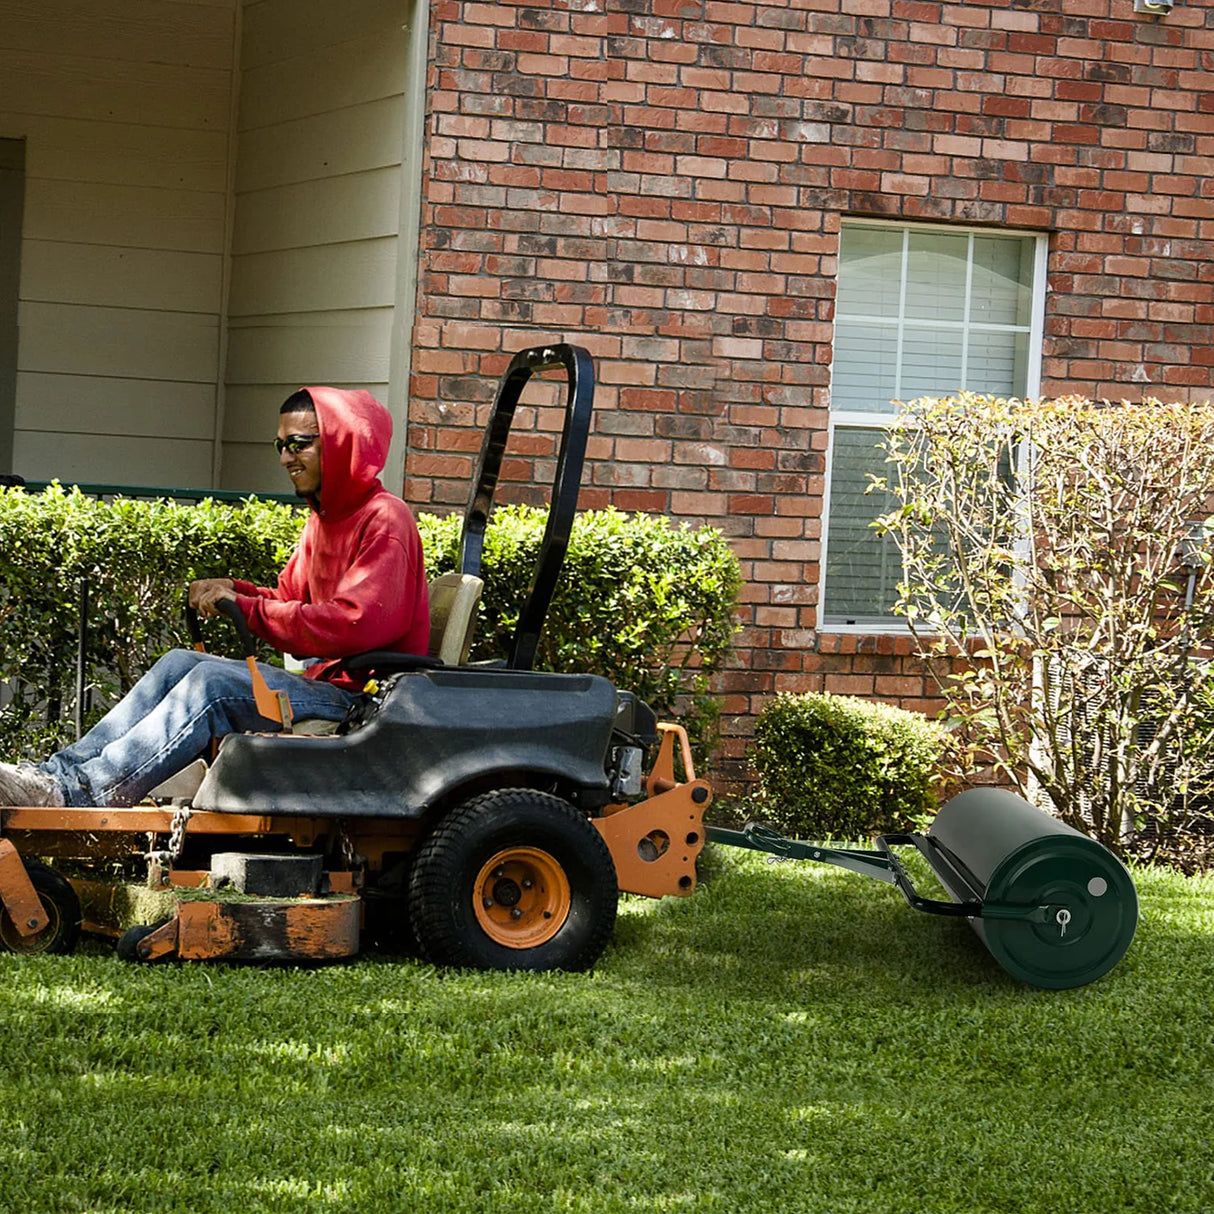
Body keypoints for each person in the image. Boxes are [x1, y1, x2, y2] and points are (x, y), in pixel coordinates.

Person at [0, 387, 429, 809]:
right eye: (280, 445)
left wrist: (247, 607)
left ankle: (82, 793)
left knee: (213, 685)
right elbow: (287, 597)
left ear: (340, 443)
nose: (285, 458)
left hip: (362, 699)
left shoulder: (385, 520)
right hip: (324, 684)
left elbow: (355, 622)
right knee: (180, 663)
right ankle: (56, 775)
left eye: (298, 444)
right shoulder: (324, 519)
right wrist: (234, 590)